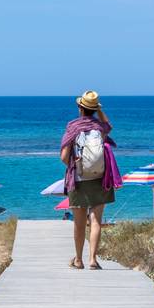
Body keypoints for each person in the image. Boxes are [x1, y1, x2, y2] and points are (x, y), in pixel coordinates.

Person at [59, 90, 121, 269]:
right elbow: (109, 125)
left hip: (78, 180)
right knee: (96, 220)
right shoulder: (100, 128)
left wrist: (75, 166)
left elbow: (64, 156)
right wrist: (99, 110)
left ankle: (78, 260)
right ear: (94, 109)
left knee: (79, 224)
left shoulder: (73, 127)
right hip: (100, 178)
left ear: (80, 107)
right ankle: (93, 259)